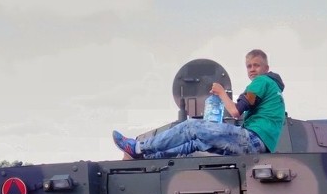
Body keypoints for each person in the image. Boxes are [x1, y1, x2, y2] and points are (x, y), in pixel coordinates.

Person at [113, 49, 286, 159]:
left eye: (256, 65)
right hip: (259, 147)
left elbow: (235, 112)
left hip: (252, 141)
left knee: (192, 127)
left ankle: (137, 147)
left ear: (266, 68)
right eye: (249, 66)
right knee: (196, 143)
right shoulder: (272, 88)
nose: (252, 69)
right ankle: (149, 156)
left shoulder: (262, 82)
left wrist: (220, 92)